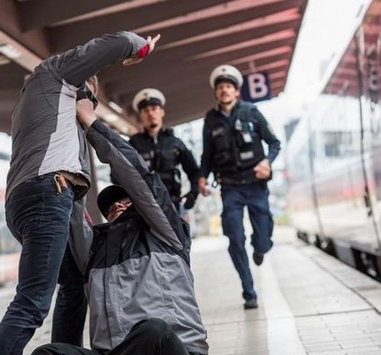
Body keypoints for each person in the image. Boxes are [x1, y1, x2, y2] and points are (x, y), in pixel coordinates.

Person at [0, 31, 161, 355]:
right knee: (33, 301)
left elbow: (72, 184)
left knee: (72, 285)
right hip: (47, 194)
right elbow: (114, 42)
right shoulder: (54, 73)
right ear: (83, 81)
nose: (89, 103)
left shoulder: (37, 106)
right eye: (90, 94)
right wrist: (140, 48)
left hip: (38, 197)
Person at [32, 97, 209, 354]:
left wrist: (91, 124)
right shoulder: (93, 250)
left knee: (154, 331)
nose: (117, 205)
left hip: (170, 348)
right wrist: (67, 134)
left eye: (125, 200)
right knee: (48, 353)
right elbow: (72, 206)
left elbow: (138, 177)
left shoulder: (167, 234)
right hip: (114, 352)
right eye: (110, 206)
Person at [197, 65, 281, 310]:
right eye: (220, 87)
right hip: (230, 187)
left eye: (228, 87)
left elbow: (274, 143)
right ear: (216, 93)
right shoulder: (210, 120)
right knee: (234, 237)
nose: (224, 90)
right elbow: (207, 156)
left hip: (255, 185)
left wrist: (267, 162)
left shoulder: (252, 112)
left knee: (263, 237)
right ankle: (249, 292)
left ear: (236, 91)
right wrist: (202, 178)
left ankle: (261, 246)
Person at [127, 88, 200, 214]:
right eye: (146, 111)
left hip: (172, 204)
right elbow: (119, 174)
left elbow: (193, 171)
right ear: (141, 116)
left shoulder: (175, 143)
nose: (150, 114)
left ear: (162, 112)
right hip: (143, 207)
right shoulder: (133, 144)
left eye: (154, 109)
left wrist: (194, 193)